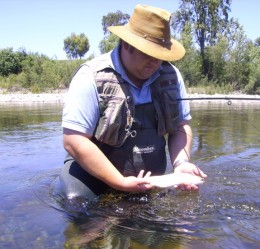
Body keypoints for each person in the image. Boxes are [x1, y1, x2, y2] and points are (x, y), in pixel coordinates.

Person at [58, 4, 207, 199]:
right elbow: (73, 141)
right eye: (149, 53)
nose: (156, 61)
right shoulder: (90, 76)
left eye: (161, 55)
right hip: (91, 176)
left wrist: (181, 163)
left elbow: (180, 127)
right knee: (75, 202)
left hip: (150, 177)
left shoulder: (171, 76)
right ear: (126, 44)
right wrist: (120, 183)